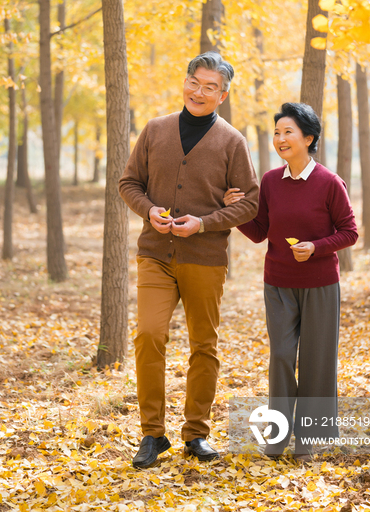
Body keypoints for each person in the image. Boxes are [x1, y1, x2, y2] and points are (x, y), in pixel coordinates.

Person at [119, 51, 259, 468]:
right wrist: (149, 211)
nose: (199, 91)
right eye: (194, 82)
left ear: (223, 94)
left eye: (210, 87)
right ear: (185, 82)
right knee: (148, 335)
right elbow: (129, 182)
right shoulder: (155, 130)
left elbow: (249, 202)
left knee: (204, 345)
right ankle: (152, 434)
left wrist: (204, 223)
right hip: (156, 255)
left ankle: (196, 433)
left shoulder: (233, 142)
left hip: (205, 258)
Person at [224, 102, 358, 461]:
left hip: (320, 285)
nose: (280, 139)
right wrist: (236, 210)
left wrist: (315, 247)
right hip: (279, 283)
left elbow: (350, 232)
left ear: (308, 138)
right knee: (282, 356)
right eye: (278, 133)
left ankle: (308, 440)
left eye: (288, 132)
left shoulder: (330, 183)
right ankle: (278, 435)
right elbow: (259, 232)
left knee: (316, 360)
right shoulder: (269, 181)